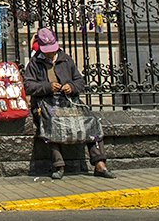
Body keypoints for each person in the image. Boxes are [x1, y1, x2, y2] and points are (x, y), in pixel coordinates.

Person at [22, 27, 111, 179]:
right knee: (51, 122)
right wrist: (47, 87)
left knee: (91, 121)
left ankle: (99, 163)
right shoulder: (35, 63)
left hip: (68, 100)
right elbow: (28, 85)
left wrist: (71, 87)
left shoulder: (66, 59)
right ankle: (58, 164)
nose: (50, 53)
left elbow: (79, 81)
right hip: (46, 102)